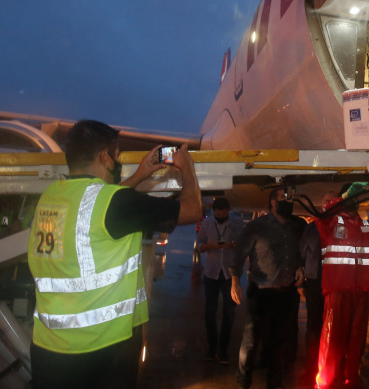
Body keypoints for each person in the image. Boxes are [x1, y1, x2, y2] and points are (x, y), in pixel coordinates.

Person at [27, 120, 202, 389]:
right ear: (105, 158)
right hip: (101, 353)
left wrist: (141, 174)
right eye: (117, 155)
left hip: (49, 350)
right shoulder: (114, 204)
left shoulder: (52, 195)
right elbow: (193, 209)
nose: (118, 161)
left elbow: (104, 204)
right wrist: (187, 168)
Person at [313, 183, 369, 389]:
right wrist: (339, 199)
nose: (356, 201)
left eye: (358, 197)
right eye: (352, 197)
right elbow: (320, 217)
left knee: (357, 343)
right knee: (332, 342)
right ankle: (324, 384)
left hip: (360, 292)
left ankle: (351, 381)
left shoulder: (366, 225)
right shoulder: (332, 222)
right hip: (337, 291)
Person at [230, 188, 306, 389]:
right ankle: (243, 382)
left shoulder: (296, 226)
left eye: (290, 198)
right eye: (284, 198)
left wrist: (299, 267)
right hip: (261, 292)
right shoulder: (257, 226)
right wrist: (235, 281)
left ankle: (274, 383)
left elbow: (298, 253)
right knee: (251, 341)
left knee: (279, 342)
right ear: (273, 202)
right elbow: (239, 254)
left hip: (286, 292)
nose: (288, 202)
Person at [195, 196, 242, 364]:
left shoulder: (236, 223)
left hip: (229, 273)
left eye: (224, 212)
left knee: (229, 313)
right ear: (213, 211)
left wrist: (233, 244)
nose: (221, 215)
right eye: (218, 212)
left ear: (228, 211)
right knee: (210, 312)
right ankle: (212, 347)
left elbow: (242, 244)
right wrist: (210, 246)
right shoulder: (207, 223)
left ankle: (223, 349)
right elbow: (199, 244)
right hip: (211, 272)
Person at [298, 192, 338, 387]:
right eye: (326, 200)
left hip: (336, 285)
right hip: (315, 283)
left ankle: (332, 368)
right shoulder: (312, 228)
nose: (329, 203)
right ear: (321, 204)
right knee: (314, 329)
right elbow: (302, 254)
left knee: (335, 330)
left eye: (332, 200)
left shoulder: (341, 226)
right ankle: (312, 368)